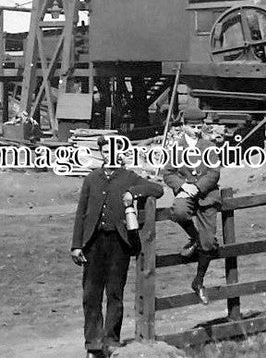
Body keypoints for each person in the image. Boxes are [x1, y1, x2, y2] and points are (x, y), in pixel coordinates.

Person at [71, 136, 164, 358]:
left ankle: (111, 340)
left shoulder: (129, 177)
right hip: (93, 243)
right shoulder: (91, 178)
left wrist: (134, 193)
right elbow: (81, 213)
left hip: (118, 244)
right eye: (105, 152)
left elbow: (157, 189)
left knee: (115, 293)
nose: (109, 156)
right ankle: (93, 344)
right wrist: (76, 245)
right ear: (101, 154)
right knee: (91, 295)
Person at [163, 107, 221, 304]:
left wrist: (198, 187)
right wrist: (183, 186)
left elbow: (214, 173)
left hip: (206, 194)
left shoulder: (208, 146)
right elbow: (168, 173)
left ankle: (198, 281)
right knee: (178, 212)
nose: (196, 130)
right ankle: (193, 237)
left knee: (208, 243)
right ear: (184, 126)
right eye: (192, 126)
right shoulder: (177, 148)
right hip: (186, 192)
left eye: (199, 126)